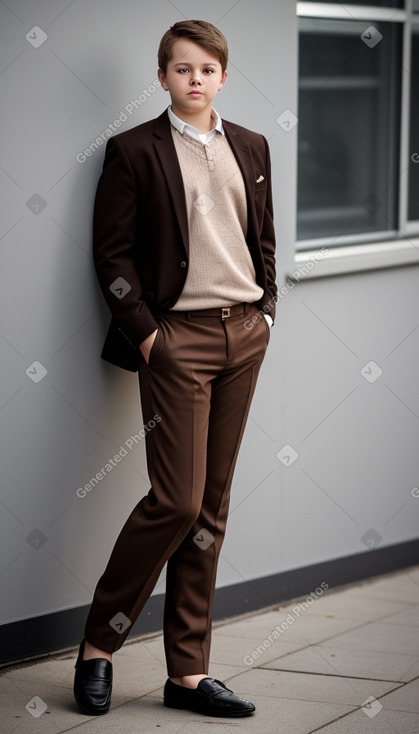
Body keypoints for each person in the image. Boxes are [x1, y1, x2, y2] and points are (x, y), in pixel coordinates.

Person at [73, 19, 277, 719]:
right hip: (176, 340)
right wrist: (149, 338)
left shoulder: (251, 145)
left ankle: (187, 674)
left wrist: (267, 312)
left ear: (223, 76)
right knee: (177, 501)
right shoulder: (133, 152)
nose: (195, 79)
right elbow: (112, 257)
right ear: (162, 77)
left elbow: (262, 238)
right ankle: (99, 645)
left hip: (243, 335)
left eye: (207, 68)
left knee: (209, 511)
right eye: (181, 68)